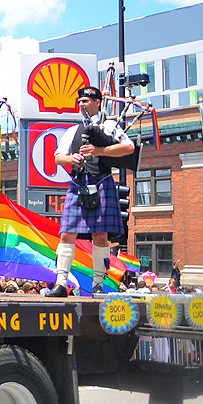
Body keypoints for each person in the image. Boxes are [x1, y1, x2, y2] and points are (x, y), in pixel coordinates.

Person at [47, 86, 134, 298]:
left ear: (97, 103)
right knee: (66, 234)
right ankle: (61, 283)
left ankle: (98, 285)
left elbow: (129, 147)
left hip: (102, 181)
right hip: (78, 183)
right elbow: (58, 157)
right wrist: (71, 159)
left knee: (100, 236)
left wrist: (99, 151)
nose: (82, 105)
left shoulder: (109, 126)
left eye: (85, 101)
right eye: (79, 102)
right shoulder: (72, 131)